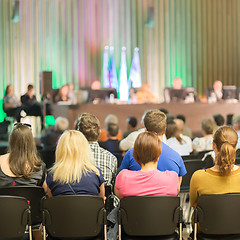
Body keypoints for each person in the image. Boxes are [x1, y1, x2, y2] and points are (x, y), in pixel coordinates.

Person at [120, 109, 187, 186]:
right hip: (165, 198)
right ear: (165, 130)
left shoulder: (131, 154)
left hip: (138, 197)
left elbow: (122, 182)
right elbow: (177, 188)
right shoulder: (176, 157)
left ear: (145, 130)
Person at [115, 132, 179, 199]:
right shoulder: (172, 178)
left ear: (135, 156)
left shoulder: (123, 177)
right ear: (159, 155)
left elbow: (119, 198)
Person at [44, 130, 105, 199]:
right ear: (85, 149)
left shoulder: (52, 175)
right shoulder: (96, 173)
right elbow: (101, 202)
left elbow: (51, 204)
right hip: (91, 210)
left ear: (60, 150)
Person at [190, 126, 240, 207]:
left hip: (208, 220)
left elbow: (194, 205)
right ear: (235, 148)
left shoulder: (198, 177)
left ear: (213, 146)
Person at [76, 113, 117, 186]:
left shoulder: (69, 158)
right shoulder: (111, 158)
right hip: (102, 197)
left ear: (79, 134)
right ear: (99, 132)